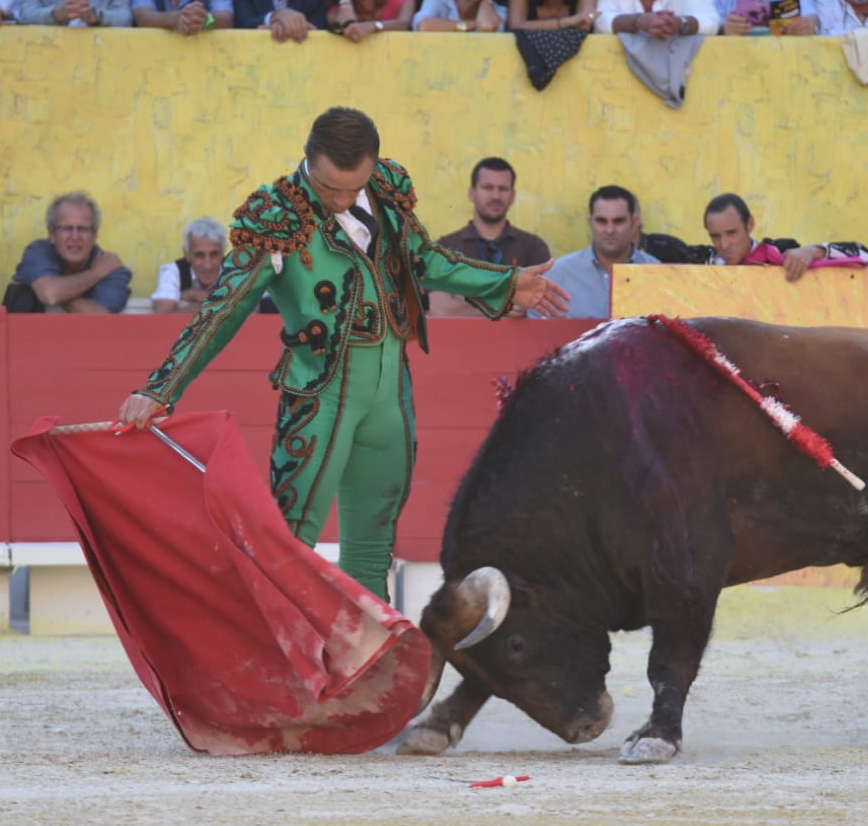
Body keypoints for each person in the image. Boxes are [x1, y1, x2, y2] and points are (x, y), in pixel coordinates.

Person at [113, 107, 569, 600]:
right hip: (319, 395)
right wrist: (161, 387)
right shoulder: (276, 214)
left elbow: (423, 259)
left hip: (390, 393)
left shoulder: (386, 188)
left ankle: (366, 663)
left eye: (356, 187)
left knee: (373, 545)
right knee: (288, 540)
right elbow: (224, 309)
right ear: (310, 161)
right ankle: (280, 662)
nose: (345, 199)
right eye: (331, 189)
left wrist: (503, 283)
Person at [432, 157, 552, 316]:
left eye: (503, 188)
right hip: (462, 341)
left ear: (513, 195)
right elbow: (439, 307)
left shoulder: (533, 247)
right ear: (472, 193)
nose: (495, 196)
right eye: (487, 187)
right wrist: (504, 304)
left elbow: (541, 307)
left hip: (518, 341)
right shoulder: (446, 246)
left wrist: (466, 303)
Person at [545, 185, 659, 318]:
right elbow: (538, 328)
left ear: (634, 222)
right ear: (590, 222)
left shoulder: (656, 272)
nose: (610, 230)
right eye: (601, 221)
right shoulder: (560, 274)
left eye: (618, 221)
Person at [10, 191, 132, 313]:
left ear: (94, 235)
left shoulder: (111, 268)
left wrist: (57, 292)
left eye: (83, 229)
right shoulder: (38, 252)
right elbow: (50, 294)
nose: (75, 237)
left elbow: (100, 318)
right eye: (67, 228)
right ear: (52, 234)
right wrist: (96, 273)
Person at [702, 193, 868, 278]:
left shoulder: (782, 252)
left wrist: (816, 251)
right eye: (715, 236)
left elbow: (866, 257)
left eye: (731, 233)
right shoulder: (701, 261)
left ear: (750, 224)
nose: (724, 245)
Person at [151, 217, 226, 314]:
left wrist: (195, 295)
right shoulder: (174, 271)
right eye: (199, 255)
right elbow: (162, 317)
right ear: (187, 255)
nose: (208, 265)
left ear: (223, 254)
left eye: (214, 254)